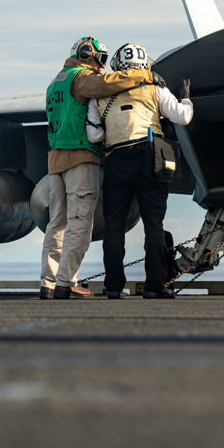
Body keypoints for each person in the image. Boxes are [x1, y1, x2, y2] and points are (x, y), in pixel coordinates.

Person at [41, 37, 155, 300]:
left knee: (56, 222)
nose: (101, 67)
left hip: (55, 158)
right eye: (99, 60)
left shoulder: (55, 82)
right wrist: (143, 74)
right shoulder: (80, 78)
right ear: (85, 54)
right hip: (79, 158)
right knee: (80, 222)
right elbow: (107, 84)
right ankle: (66, 282)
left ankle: (48, 281)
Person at [92, 43, 193, 299]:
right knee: (154, 225)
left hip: (116, 159)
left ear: (117, 65)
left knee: (114, 226)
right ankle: (155, 285)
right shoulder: (155, 88)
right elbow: (182, 117)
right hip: (150, 159)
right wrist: (186, 99)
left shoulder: (100, 94)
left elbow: (93, 135)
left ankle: (113, 286)